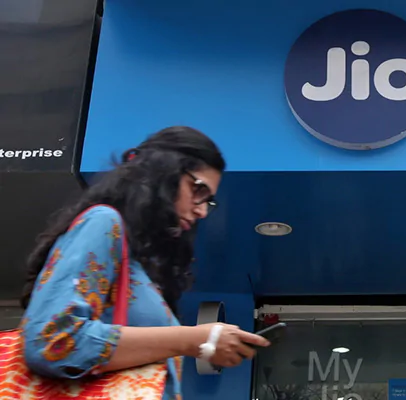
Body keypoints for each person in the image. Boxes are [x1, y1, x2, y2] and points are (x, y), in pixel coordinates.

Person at [19, 126, 269, 399]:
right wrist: (193, 339)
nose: (202, 211)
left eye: (208, 201)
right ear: (163, 171)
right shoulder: (103, 222)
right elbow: (52, 341)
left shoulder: (137, 261)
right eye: (198, 190)